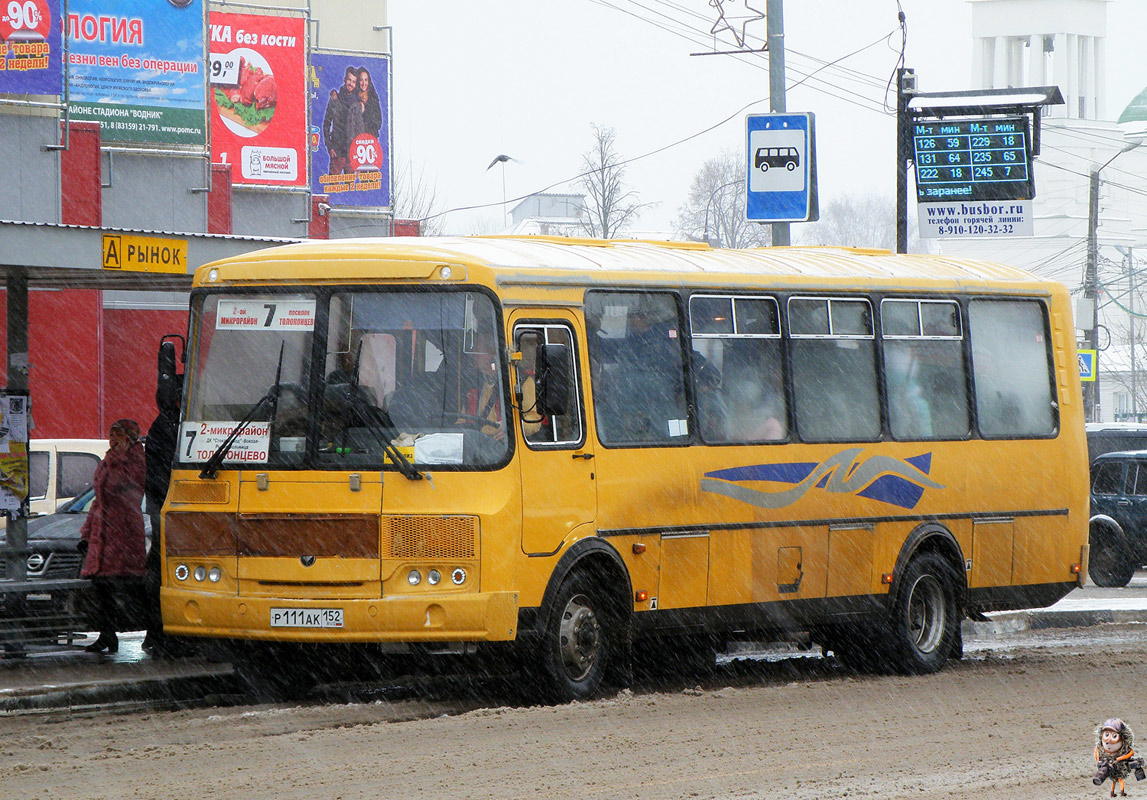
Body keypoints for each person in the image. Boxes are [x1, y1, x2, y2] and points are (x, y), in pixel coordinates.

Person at [79, 419, 147, 655]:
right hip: (104, 532)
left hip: (123, 533)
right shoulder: (109, 459)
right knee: (101, 588)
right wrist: (87, 533)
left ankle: (117, 634)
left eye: (117, 436)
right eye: (111, 435)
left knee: (119, 586)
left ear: (129, 439)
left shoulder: (135, 460)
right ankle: (106, 635)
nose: (112, 440)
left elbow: (121, 484)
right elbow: (98, 499)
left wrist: (119, 456)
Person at [142, 398, 179, 655]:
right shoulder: (172, 424)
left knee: (158, 569)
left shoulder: (163, 424)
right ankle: (164, 634)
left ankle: (157, 634)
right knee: (165, 570)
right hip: (169, 506)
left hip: (163, 506)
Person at [322, 67, 358, 174]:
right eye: (349, 80)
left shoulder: (358, 103)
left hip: (352, 154)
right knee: (332, 188)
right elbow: (326, 124)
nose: (350, 84)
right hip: (337, 152)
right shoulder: (335, 99)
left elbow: (362, 127)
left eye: (353, 81)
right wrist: (330, 147)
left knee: (351, 189)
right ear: (344, 79)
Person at [357, 67, 382, 140]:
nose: (364, 83)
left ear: (369, 81)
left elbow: (378, 122)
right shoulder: (354, 96)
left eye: (366, 80)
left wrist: (365, 112)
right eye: (361, 80)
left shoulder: (373, 97)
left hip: (370, 139)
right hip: (356, 140)